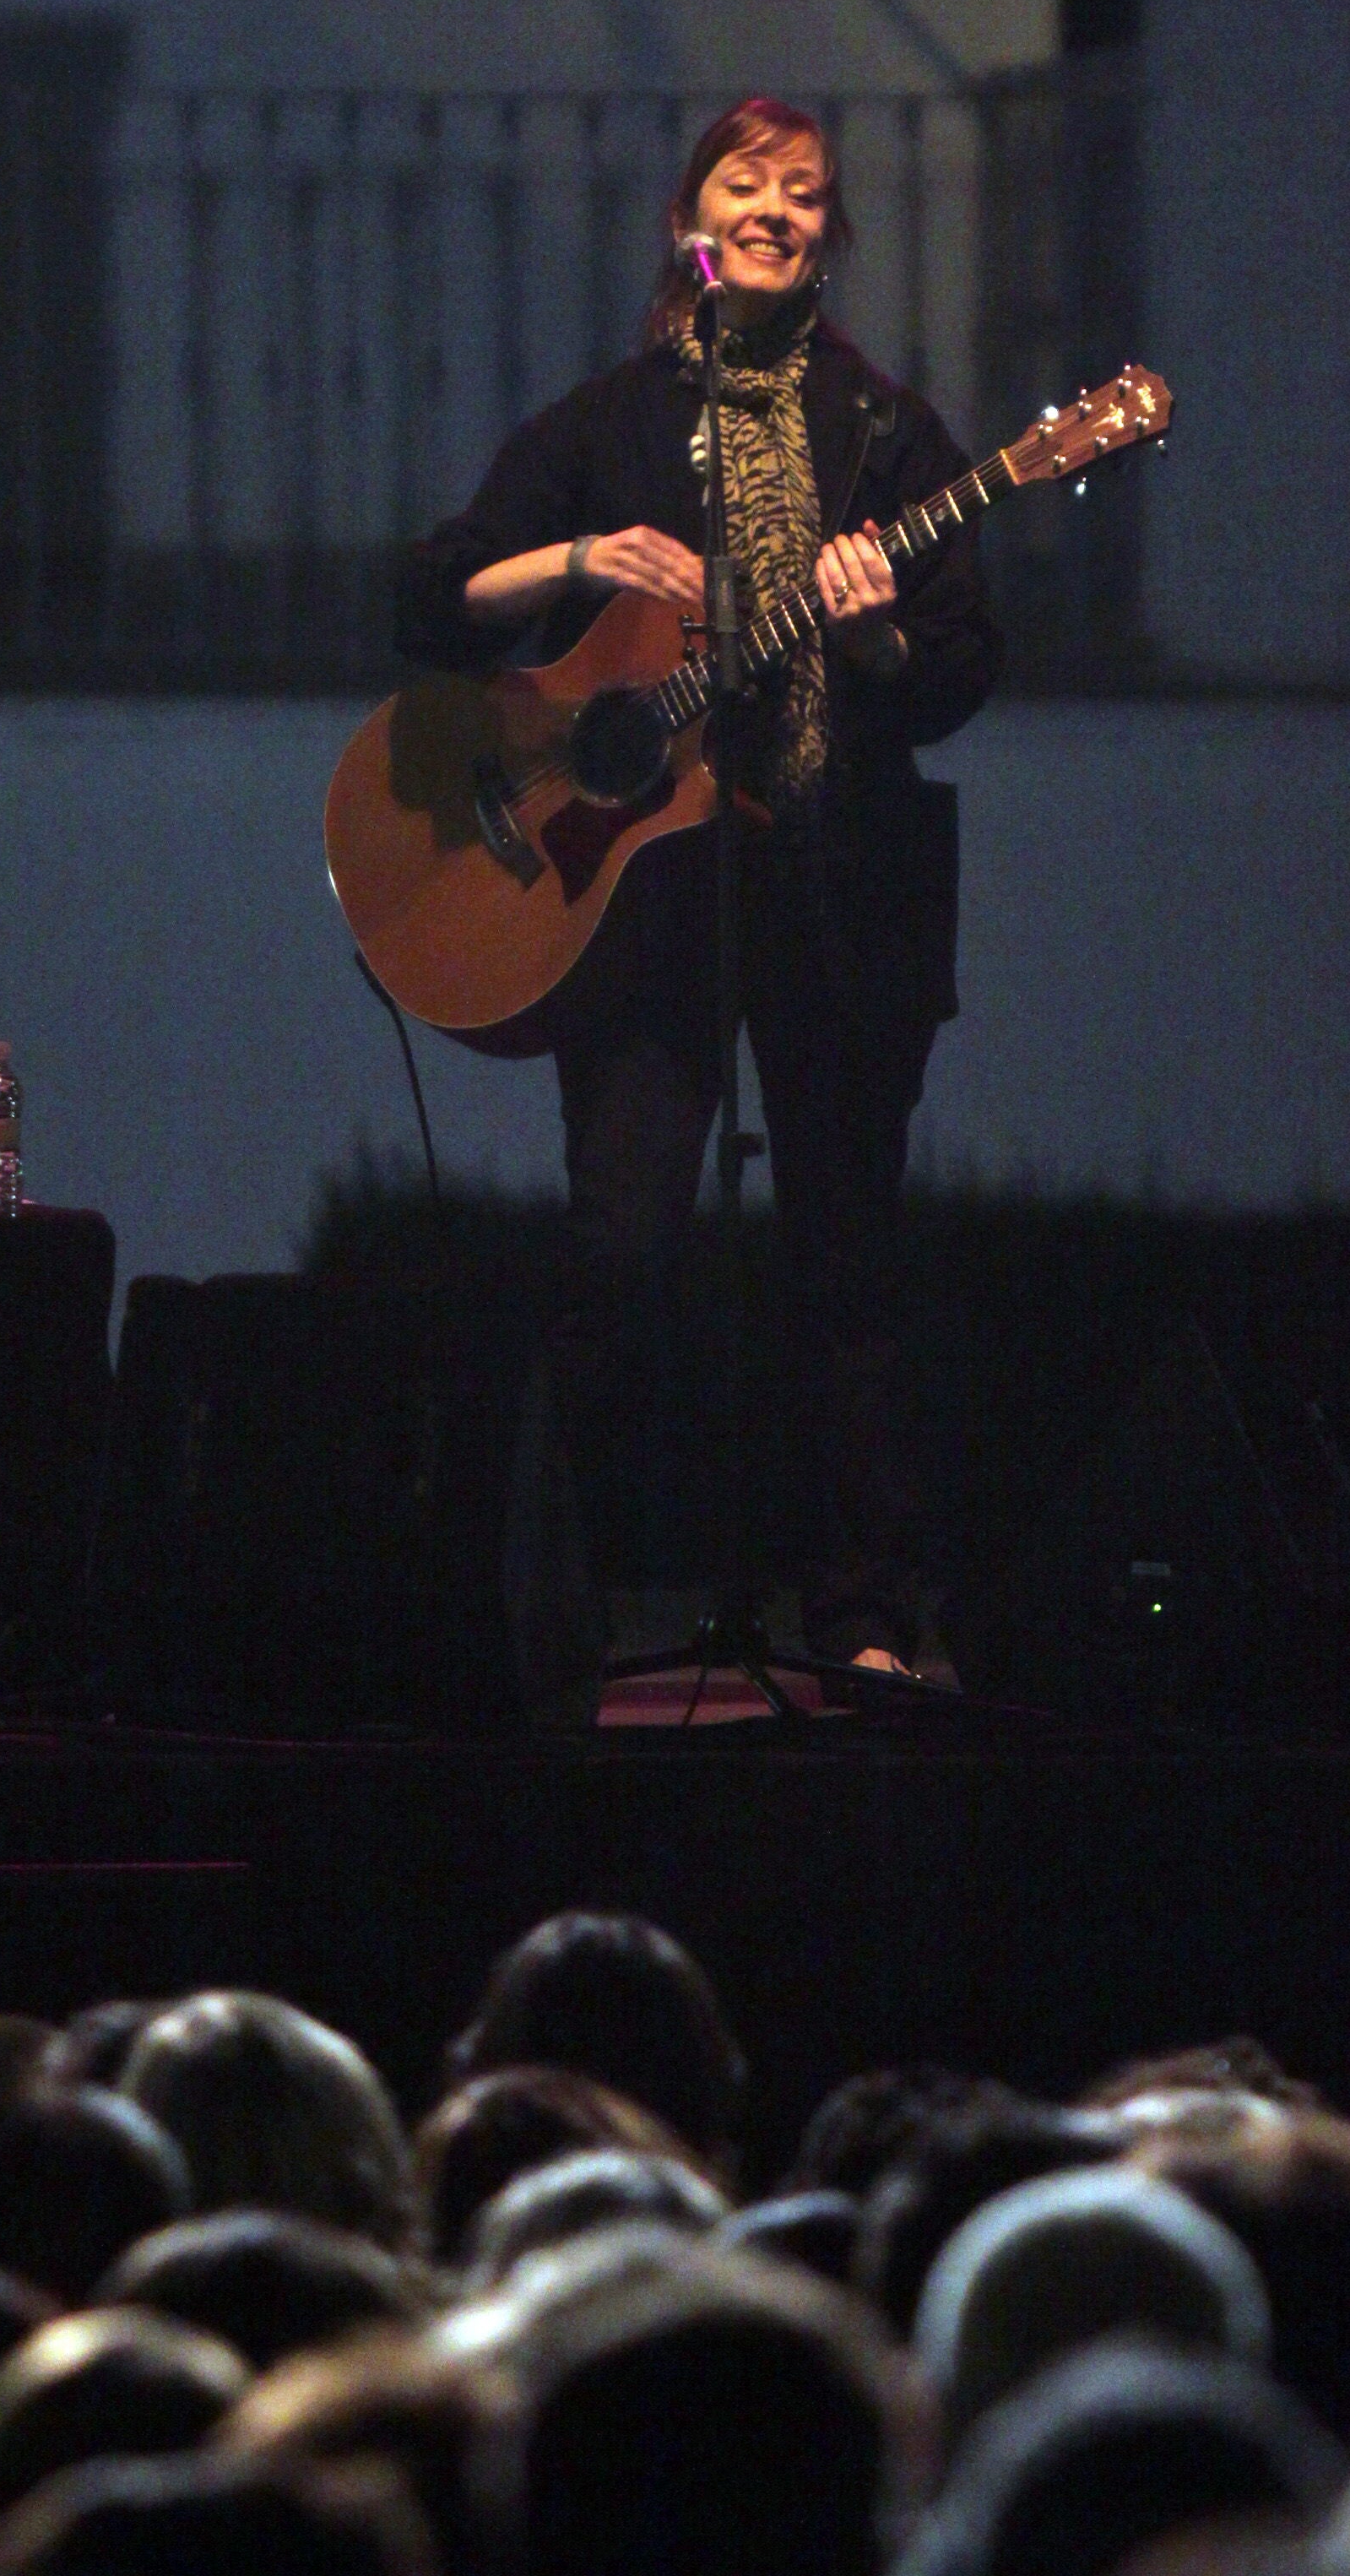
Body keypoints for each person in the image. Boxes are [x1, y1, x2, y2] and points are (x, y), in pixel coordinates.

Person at [393, 95, 1002, 1665]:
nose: (779, 208)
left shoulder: (886, 434)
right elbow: (437, 593)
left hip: (835, 889)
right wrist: (583, 563)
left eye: (807, 193)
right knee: (619, 1246)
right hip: (649, 917)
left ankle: (864, 1617)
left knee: (847, 1265)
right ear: (694, 219)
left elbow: (959, 671)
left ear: (827, 238)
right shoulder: (608, 428)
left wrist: (871, 634)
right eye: (749, 182)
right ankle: (555, 1607)